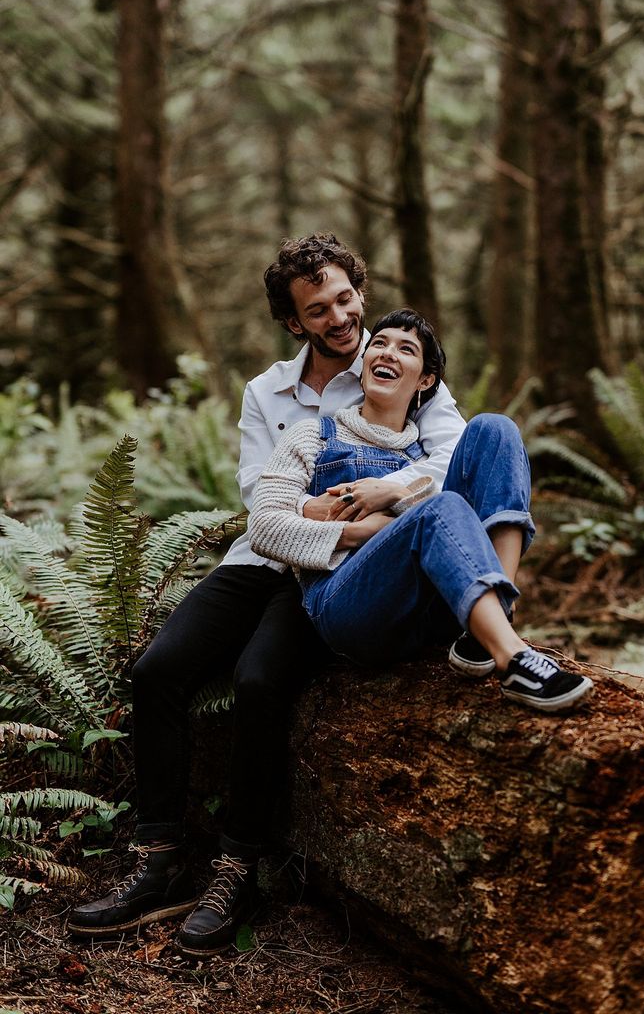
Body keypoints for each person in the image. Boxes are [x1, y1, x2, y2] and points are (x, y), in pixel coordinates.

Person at [67, 232, 467, 956]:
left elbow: (448, 467)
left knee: (259, 680)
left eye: (346, 298)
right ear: (294, 322)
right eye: (319, 310)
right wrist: (330, 518)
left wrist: (371, 507)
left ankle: (236, 865)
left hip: (324, 576)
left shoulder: (397, 363)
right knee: (157, 670)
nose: (341, 318)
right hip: (261, 558)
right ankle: (157, 857)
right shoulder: (266, 393)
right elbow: (263, 504)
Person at [248, 308, 593, 712]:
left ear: (425, 380)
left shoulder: (431, 454)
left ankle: (496, 614)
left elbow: (475, 485)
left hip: (430, 611)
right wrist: (363, 531)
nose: (388, 353)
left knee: (496, 428)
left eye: (406, 349)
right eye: (379, 344)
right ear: (363, 366)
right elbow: (264, 526)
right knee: (441, 507)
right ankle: (513, 659)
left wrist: (393, 497)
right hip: (347, 606)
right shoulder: (314, 436)